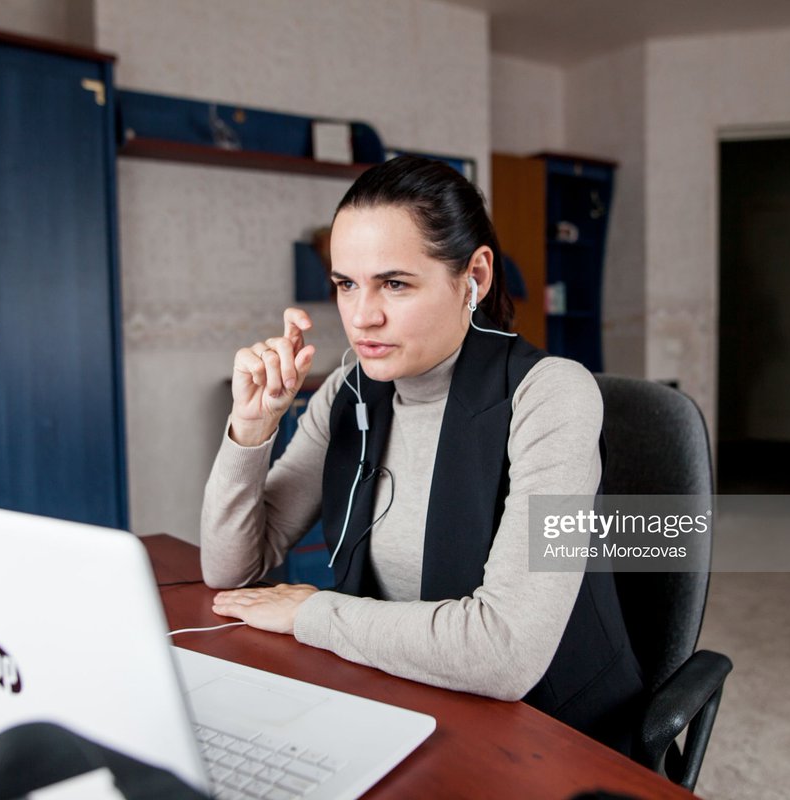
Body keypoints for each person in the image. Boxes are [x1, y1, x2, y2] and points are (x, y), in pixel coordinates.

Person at [201, 156, 643, 752]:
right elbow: (232, 570)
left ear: (475, 277)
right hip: (407, 701)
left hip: (550, 734)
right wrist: (250, 430)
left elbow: (505, 653)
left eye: (395, 283)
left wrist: (313, 613)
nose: (362, 317)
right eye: (346, 284)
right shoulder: (352, 385)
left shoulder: (552, 395)